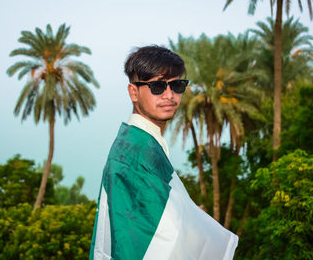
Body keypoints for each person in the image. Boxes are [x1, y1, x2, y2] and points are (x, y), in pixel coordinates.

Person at [89, 45, 238, 260]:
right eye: (158, 86)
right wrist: (191, 221)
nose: (169, 95)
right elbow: (143, 239)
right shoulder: (134, 153)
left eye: (177, 85)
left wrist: (188, 213)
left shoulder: (144, 143)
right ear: (133, 92)